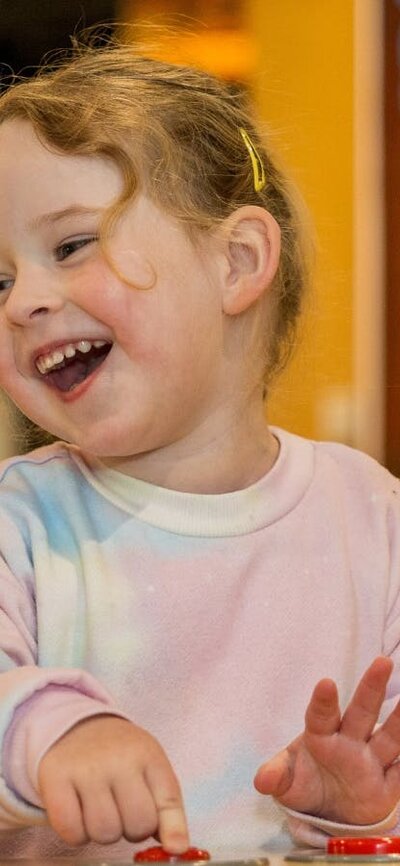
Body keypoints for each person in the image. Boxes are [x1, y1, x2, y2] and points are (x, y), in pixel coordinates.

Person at [0, 34, 399, 861]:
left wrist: (359, 810)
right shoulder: (21, 525)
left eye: (71, 246)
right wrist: (49, 728)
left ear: (236, 262)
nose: (24, 302)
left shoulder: (373, 519)